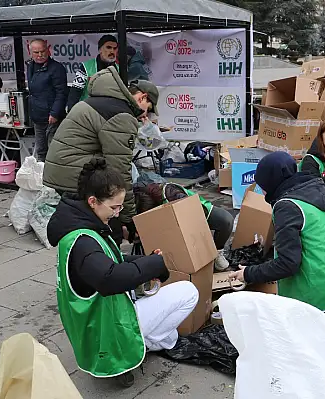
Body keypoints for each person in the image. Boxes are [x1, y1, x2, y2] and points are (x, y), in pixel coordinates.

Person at [47, 159, 198, 385]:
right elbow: (110, 278)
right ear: (93, 201)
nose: (118, 214)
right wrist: (154, 265)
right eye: (114, 207)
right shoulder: (83, 242)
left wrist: (146, 262)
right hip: (106, 329)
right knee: (188, 292)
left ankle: (151, 340)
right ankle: (143, 342)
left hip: (95, 324)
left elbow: (109, 261)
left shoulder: (78, 228)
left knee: (169, 333)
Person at [44, 67, 158, 244]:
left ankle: (80, 248)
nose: (145, 114)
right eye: (148, 108)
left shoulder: (100, 101)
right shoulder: (121, 115)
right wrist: (129, 216)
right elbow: (119, 171)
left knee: (84, 221)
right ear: (142, 97)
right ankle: (104, 260)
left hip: (61, 169)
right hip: (74, 173)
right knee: (108, 225)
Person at [228, 152, 325, 314]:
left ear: (271, 181)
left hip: (317, 295)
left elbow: (288, 264)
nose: (262, 191)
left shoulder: (287, 206)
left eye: (262, 185)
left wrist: (248, 274)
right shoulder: (310, 194)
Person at [133, 182, 234, 250]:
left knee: (226, 220)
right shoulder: (139, 196)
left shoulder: (173, 195)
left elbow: (191, 221)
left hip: (196, 214)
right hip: (170, 226)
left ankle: (217, 251)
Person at [26, 38, 68, 162]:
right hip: (37, 116)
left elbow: (62, 93)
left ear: (48, 49)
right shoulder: (30, 66)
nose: (40, 55)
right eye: (36, 52)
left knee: (54, 151)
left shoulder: (56, 68)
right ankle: (41, 177)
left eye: (43, 51)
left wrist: (54, 113)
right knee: (41, 150)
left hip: (52, 117)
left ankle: (54, 178)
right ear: (30, 53)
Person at [66, 35, 118, 111]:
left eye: (115, 48)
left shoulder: (119, 69)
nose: (112, 51)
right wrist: (71, 112)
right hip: (88, 112)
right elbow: (75, 91)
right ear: (100, 50)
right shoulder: (86, 66)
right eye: (108, 47)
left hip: (110, 112)